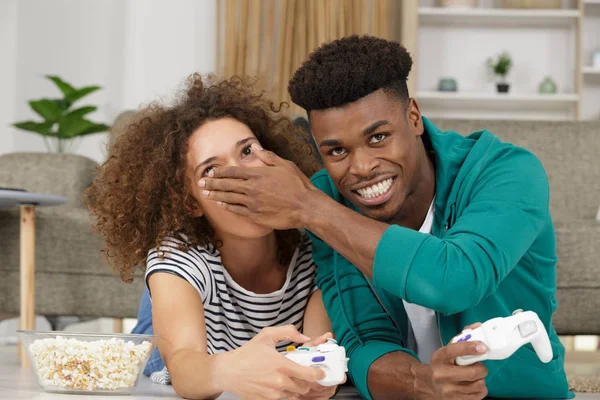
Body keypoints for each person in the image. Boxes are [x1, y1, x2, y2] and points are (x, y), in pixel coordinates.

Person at [198, 36, 573, 400]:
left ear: (413, 117)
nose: (361, 168)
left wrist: (309, 208)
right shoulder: (326, 198)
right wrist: (428, 384)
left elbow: (454, 279)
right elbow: (364, 341)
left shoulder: (507, 173)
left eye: (378, 137)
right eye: (337, 150)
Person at [86, 74, 343, 400]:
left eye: (247, 151)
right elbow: (184, 369)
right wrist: (228, 370)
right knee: (155, 338)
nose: (241, 176)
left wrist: (319, 377)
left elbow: (320, 353)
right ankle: (155, 299)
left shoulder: (315, 253)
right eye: (210, 170)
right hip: (189, 305)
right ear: (191, 202)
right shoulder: (177, 256)